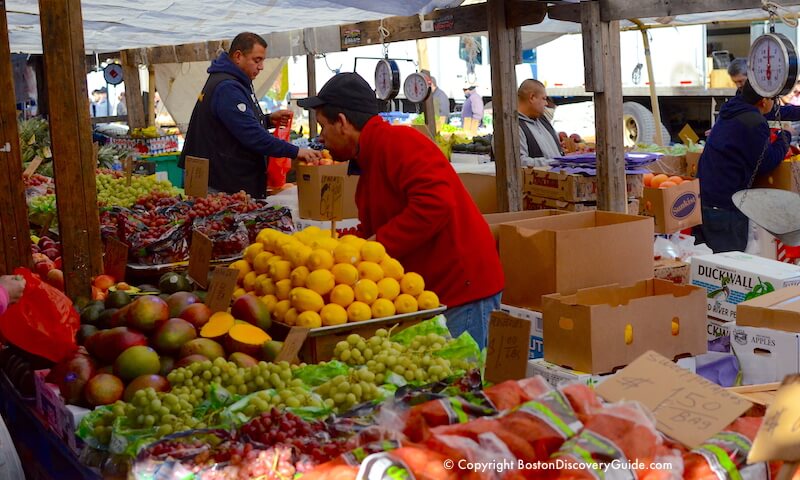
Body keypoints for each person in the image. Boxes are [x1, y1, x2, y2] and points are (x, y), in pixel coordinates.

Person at [297, 73, 504, 348]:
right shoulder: (370, 156)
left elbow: (435, 203)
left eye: (323, 127)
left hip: (462, 289)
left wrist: (375, 246)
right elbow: (378, 223)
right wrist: (341, 247)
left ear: (343, 123)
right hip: (433, 292)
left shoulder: (400, 142)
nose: (321, 138)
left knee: (461, 385)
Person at [180, 32, 321, 198]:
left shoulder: (233, 81)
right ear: (238, 56)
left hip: (222, 180)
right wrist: (295, 151)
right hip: (222, 185)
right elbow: (251, 135)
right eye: (257, 60)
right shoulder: (228, 88)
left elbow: (230, 124)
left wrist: (266, 119)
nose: (261, 67)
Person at [694, 80, 791, 253]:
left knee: (709, 263)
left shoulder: (733, 109)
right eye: (773, 100)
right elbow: (766, 162)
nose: (775, 104)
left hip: (704, 200)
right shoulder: (754, 122)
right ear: (763, 101)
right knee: (729, 267)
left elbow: (777, 113)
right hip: (726, 207)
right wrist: (785, 138)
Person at [517, 79, 563, 167]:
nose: (546, 103)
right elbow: (519, 162)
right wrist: (554, 162)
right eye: (544, 98)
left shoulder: (543, 120)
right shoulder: (513, 127)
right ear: (532, 97)